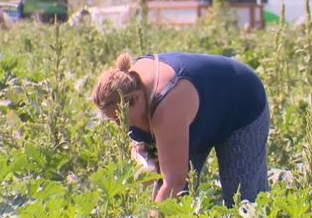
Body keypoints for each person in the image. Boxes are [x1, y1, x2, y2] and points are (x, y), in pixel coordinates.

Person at [92, 52, 270, 207]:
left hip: (241, 103)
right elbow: (143, 150)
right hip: (197, 114)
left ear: (138, 99)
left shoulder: (167, 107)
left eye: (120, 118)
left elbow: (174, 183)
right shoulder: (128, 83)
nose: (119, 125)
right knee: (173, 199)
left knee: (243, 201)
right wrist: (143, 158)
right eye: (113, 120)